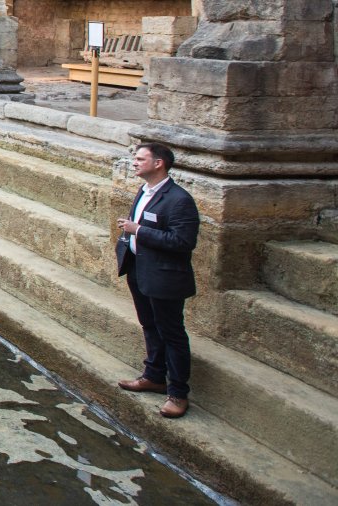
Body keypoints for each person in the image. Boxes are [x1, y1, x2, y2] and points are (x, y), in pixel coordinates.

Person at [114, 143, 200, 419]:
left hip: (165, 277)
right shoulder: (145, 191)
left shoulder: (179, 199)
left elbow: (183, 241)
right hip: (140, 269)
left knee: (171, 333)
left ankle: (178, 393)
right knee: (149, 325)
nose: (135, 163)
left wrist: (138, 230)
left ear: (159, 163)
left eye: (140, 159)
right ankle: (153, 375)